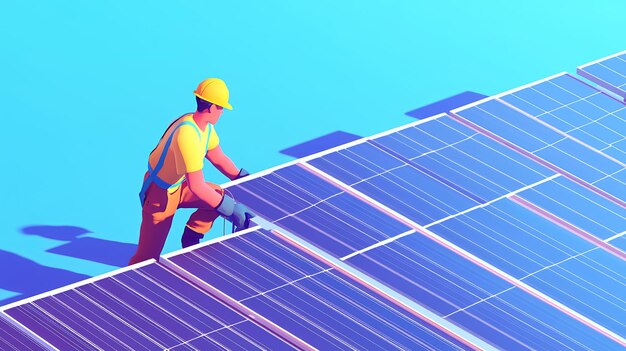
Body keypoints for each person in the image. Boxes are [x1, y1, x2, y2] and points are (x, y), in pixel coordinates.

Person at [128, 78, 255, 265]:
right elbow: (197, 186)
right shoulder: (187, 135)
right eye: (221, 108)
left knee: (222, 195)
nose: (222, 112)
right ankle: (135, 282)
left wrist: (242, 178)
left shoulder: (204, 128)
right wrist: (231, 211)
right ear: (211, 107)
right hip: (159, 196)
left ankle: (191, 236)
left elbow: (218, 157)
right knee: (147, 259)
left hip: (179, 187)